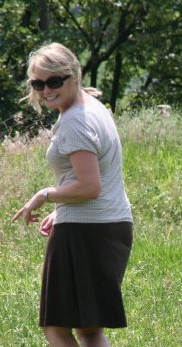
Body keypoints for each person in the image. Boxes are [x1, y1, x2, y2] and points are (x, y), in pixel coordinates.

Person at [12, 42, 133, 347]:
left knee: (56, 327)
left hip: (85, 231)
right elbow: (97, 176)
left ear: (73, 76)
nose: (45, 90)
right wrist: (61, 209)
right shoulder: (91, 108)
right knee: (89, 329)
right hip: (108, 226)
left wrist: (45, 195)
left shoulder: (75, 121)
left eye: (54, 81)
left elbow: (90, 187)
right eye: (38, 83)